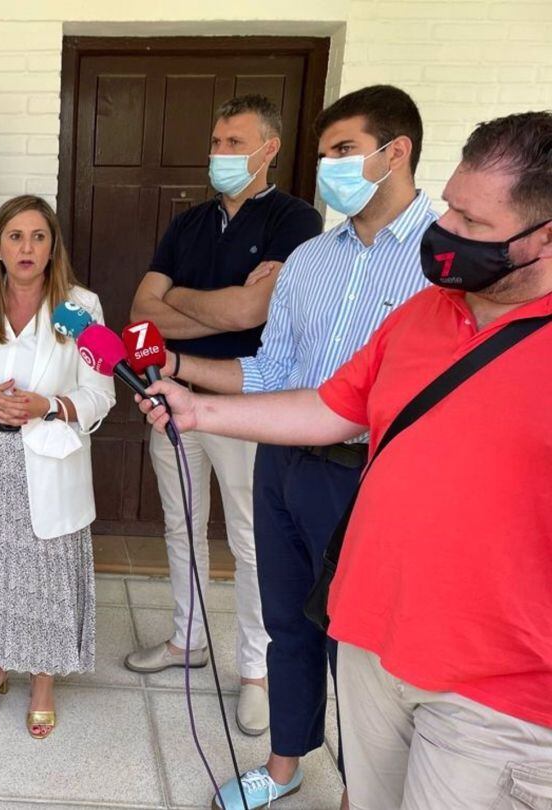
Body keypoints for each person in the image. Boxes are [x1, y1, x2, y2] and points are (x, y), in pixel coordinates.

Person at [138, 110, 552, 810]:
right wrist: (199, 407)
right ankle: (287, 764)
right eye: (450, 205)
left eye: (473, 224)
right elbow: (328, 400)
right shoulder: (417, 308)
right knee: (295, 633)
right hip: (371, 609)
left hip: (493, 677)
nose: (446, 230)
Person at [160, 85, 434, 809]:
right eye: (324, 155)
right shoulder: (311, 259)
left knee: (364, 648)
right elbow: (271, 372)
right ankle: (284, 767)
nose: (329, 169)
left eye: (343, 151)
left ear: (395, 151)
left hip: (374, 479)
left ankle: (361, 789)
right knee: (288, 625)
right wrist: (183, 375)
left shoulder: (442, 261)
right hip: (284, 464)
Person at [126, 94, 322, 737]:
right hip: (170, 394)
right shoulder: (188, 224)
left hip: (246, 402)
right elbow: (140, 311)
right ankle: (187, 639)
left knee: (249, 539)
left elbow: (250, 318)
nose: (219, 154)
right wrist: (229, 301)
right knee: (182, 525)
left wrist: (184, 302)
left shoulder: (296, 221)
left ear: (269, 148)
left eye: (234, 142)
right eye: (215, 141)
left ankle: (256, 671)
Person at [0, 194, 116, 738]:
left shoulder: (81, 306)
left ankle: (42, 681)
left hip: (50, 463)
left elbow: (99, 394)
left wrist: (50, 406)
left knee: (43, 582)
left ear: (52, 245)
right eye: (15, 236)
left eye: (38, 236)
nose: (27, 247)